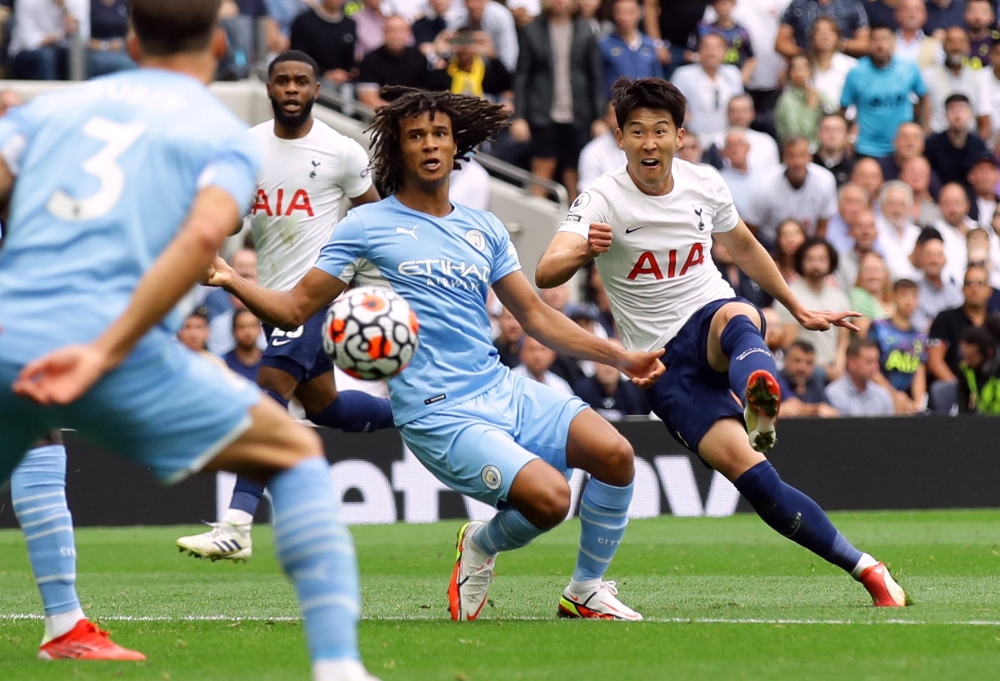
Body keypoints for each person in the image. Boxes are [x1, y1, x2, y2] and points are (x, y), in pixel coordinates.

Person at [0, 1, 381, 678]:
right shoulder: (220, 134)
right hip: (110, 342)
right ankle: (337, 665)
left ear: (134, 39)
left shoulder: (47, 109)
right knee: (290, 448)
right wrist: (106, 347)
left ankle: (64, 623)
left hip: (11, 328)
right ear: (218, 44)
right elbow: (202, 241)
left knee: (38, 436)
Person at [205, 86, 666, 621]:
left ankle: (585, 590)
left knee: (615, 456)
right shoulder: (364, 226)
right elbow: (291, 309)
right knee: (551, 499)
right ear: (398, 150)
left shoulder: (484, 227)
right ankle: (481, 545)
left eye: (439, 135)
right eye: (416, 136)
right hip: (439, 413)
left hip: (500, 388)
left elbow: (536, 317)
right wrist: (227, 277)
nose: (429, 144)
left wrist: (618, 357)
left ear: (455, 147)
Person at [536, 76, 907, 608]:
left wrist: (797, 307)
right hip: (661, 364)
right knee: (756, 481)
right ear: (620, 139)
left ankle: (759, 391)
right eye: (636, 131)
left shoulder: (704, 183)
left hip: (710, 315)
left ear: (680, 136)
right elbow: (547, 272)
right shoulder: (600, 198)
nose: (648, 142)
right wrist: (583, 253)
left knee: (735, 313)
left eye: (660, 131)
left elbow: (746, 247)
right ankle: (866, 566)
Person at [177, 50, 392, 562]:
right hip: (274, 300)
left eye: (301, 81)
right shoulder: (247, 148)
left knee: (268, 393)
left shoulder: (341, 152)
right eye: (282, 81)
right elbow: (230, 224)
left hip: (318, 294)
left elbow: (377, 221)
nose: (292, 89)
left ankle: (236, 524)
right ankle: (420, 413)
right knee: (327, 408)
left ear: (317, 90)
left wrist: (360, 279)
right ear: (269, 88)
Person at [510, 0, 605, 201]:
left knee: (576, 180)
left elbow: (596, 77)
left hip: (579, 114)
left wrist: (599, 117)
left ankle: (576, 227)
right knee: (541, 175)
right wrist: (519, 116)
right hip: (543, 114)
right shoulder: (532, 30)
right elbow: (522, 76)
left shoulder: (585, 30)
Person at [840, 25, 927, 160]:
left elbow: (925, 97)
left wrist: (924, 129)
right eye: (875, 40)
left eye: (885, 39)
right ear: (869, 44)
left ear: (893, 43)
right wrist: (845, 138)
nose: (880, 45)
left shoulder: (909, 69)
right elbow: (843, 108)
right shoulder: (856, 72)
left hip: (901, 146)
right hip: (866, 147)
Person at [777, 237, 852, 381]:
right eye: (810, 259)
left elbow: (843, 341)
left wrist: (838, 366)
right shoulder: (789, 296)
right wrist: (822, 370)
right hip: (802, 372)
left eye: (821, 259)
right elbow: (789, 343)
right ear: (801, 262)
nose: (816, 264)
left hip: (835, 370)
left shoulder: (840, 297)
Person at [744, 136, 838, 244]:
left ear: (810, 157)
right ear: (784, 158)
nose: (797, 162)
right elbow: (750, 227)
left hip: (807, 242)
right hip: (772, 242)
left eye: (802, 156)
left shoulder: (825, 180)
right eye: (791, 156)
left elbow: (822, 225)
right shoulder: (765, 185)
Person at [670, 33, 744, 150]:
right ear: (699, 50)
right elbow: (674, 108)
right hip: (695, 138)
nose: (712, 52)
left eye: (717, 47)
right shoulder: (683, 75)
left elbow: (740, 106)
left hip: (727, 137)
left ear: (725, 52)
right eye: (707, 47)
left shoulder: (733, 74)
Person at [869, 278, 928, 413]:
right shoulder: (879, 328)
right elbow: (870, 367)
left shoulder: (920, 336)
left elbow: (919, 371)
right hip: (878, 396)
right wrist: (893, 395)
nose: (909, 301)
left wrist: (918, 403)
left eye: (913, 296)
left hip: (908, 402)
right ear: (893, 297)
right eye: (903, 295)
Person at [922, 27, 991, 139]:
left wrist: (978, 149)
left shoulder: (977, 78)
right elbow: (920, 115)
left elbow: (984, 120)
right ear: (943, 46)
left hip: (968, 142)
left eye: (961, 41)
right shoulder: (927, 76)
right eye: (951, 41)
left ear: (968, 46)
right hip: (936, 143)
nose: (956, 46)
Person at [356, 16, 438, 109]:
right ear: (383, 32)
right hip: (383, 116)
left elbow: (428, 93)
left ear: (409, 33)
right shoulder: (370, 60)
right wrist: (399, 113)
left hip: (415, 113)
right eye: (392, 31)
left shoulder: (419, 57)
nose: (396, 36)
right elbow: (368, 100)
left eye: (401, 30)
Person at [8, 0, 89, 80]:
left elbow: (82, 39)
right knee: (46, 56)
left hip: (61, 50)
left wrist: (65, 9)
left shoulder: (79, 1)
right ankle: (50, 92)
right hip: (25, 53)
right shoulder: (27, 2)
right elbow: (28, 42)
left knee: (86, 57)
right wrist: (62, 34)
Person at [573, 339, 650, 421]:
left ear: (623, 365)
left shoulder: (632, 392)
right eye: (603, 361)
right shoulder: (581, 392)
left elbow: (639, 425)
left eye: (614, 362)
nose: (608, 368)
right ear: (594, 362)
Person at [600, 0, 663, 97]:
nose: (624, 17)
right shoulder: (604, 45)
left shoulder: (650, 45)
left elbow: (658, 80)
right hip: (617, 103)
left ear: (639, 13)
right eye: (620, 12)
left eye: (630, 12)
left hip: (646, 103)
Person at [289, 0, 358, 88]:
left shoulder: (350, 25)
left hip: (343, 81)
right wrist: (325, 73)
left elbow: (350, 60)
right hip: (313, 78)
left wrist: (348, 73)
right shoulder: (304, 21)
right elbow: (297, 58)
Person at [925, 94, 989, 189]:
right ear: (945, 114)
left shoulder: (978, 145)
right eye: (953, 110)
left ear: (970, 114)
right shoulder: (932, 144)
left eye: (962, 110)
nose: (958, 115)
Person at [775, 53, 835, 147]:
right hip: (798, 150)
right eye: (795, 69)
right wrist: (810, 108)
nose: (799, 72)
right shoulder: (786, 100)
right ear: (789, 73)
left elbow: (834, 111)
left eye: (804, 68)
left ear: (810, 71)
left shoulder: (816, 93)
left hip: (821, 146)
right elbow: (798, 135)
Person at [824, 338, 896, 415]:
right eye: (869, 362)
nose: (875, 367)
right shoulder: (834, 394)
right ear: (851, 362)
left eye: (876, 361)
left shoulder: (882, 395)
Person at [776, 0, 870, 58]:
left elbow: (865, 44)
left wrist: (836, 43)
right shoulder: (798, 4)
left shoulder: (852, 4)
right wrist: (806, 56)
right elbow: (781, 43)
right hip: (806, 68)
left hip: (841, 65)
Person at [912, 228, 964, 332]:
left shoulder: (954, 290)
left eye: (938, 255)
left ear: (945, 260)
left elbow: (962, 325)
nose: (934, 260)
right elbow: (919, 327)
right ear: (921, 259)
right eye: (929, 255)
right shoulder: (914, 291)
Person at [699, 0, 756, 85]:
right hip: (708, 77)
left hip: (735, 75)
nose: (722, 7)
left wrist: (741, 79)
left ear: (733, 4)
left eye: (725, 3)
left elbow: (751, 58)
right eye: (718, 4)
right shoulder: (704, 29)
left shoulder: (742, 32)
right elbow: (692, 53)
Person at [777, 339, 840, 417]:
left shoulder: (814, 381)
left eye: (808, 363)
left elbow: (829, 409)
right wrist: (816, 410)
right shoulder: (776, 379)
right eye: (797, 361)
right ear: (786, 360)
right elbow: (792, 405)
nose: (802, 368)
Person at [810, 16, 857, 108]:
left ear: (838, 38)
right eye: (819, 32)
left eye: (830, 32)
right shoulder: (804, 66)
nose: (825, 36)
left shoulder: (852, 66)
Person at [578, 103, 627, 192]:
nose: (619, 121)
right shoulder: (591, 152)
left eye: (624, 115)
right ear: (606, 119)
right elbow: (588, 192)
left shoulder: (641, 146)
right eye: (615, 116)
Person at [726, 94, 780, 173]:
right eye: (734, 111)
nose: (739, 116)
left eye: (743, 111)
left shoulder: (766, 142)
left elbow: (774, 174)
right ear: (727, 114)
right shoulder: (716, 143)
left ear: (752, 113)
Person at [957, 317, 1000, 413]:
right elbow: (963, 409)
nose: (965, 362)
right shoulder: (965, 370)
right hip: (981, 423)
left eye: (970, 357)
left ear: (989, 353)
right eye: (963, 355)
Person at [88, 0, 135, 77]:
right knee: (126, 64)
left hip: (123, 47)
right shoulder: (91, 4)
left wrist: (125, 43)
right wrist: (107, 46)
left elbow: (132, 30)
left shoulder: (125, 3)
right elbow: (85, 40)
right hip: (98, 49)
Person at [893, 0, 941, 67]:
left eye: (917, 9)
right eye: (906, 9)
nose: (912, 13)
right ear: (897, 14)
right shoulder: (886, 42)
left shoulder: (936, 46)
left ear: (925, 16)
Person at [815, 112, 855, 186]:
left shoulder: (854, 168)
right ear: (818, 134)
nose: (832, 135)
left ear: (846, 135)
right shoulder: (808, 164)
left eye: (838, 130)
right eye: (827, 130)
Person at [223, 309, 264, 382]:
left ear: (260, 329)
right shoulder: (222, 363)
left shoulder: (271, 362)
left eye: (253, 326)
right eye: (242, 327)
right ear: (233, 331)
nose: (248, 332)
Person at [964, 0, 998, 69]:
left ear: (992, 17)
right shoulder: (957, 39)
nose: (977, 17)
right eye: (973, 11)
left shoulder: (997, 41)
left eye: (983, 12)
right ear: (965, 14)